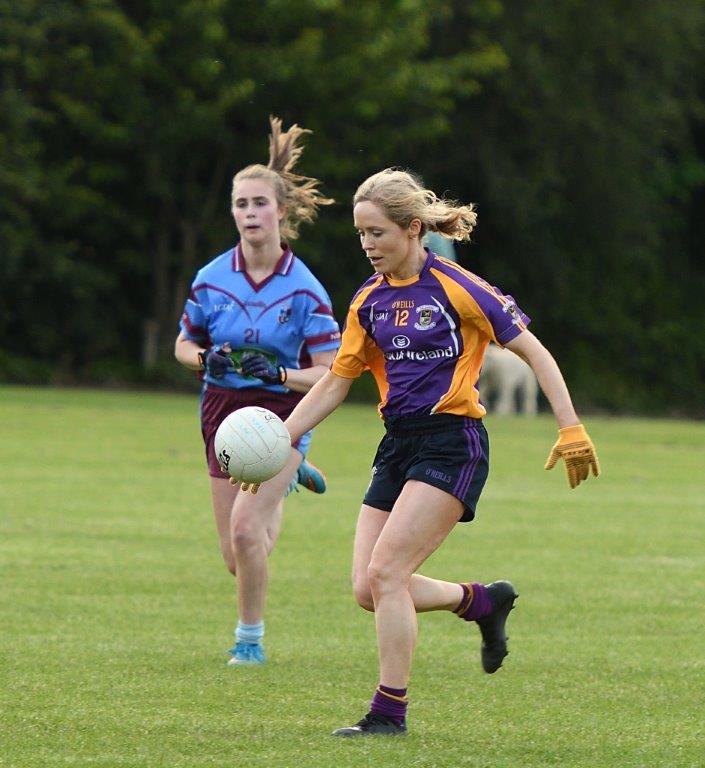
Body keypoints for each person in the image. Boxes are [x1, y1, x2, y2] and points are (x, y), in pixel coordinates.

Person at [269, 168, 599, 735]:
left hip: (453, 442)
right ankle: (481, 602)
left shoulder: (458, 287)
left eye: (377, 233)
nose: (368, 245)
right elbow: (334, 383)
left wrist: (570, 428)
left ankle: (387, 715)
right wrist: (282, 441)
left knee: (388, 573)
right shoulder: (367, 302)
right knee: (367, 589)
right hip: (397, 445)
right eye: (361, 234)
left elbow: (535, 351)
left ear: (413, 228)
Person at [174, 116, 341, 666]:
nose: (249, 214)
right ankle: (292, 480)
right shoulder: (210, 278)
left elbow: (331, 371)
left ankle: (249, 643)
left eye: (259, 204)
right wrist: (204, 358)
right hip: (221, 412)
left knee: (248, 531)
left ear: (282, 211)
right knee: (236, 554)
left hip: (282, 414)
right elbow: (182, 344)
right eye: (240, 205)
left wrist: (280, 376)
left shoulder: (305, 289)